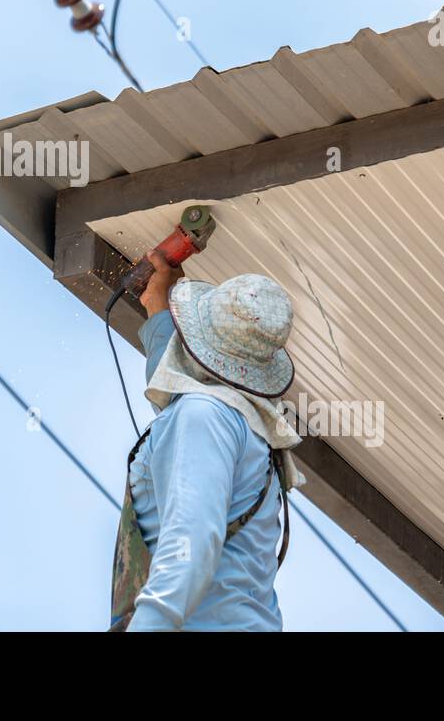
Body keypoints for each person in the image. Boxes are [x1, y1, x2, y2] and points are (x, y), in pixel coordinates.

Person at [110, 251, 305, 632]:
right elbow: (180, 415)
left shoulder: (204, 417)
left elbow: (191, 543)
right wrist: (157, 307)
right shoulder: (232, 419)